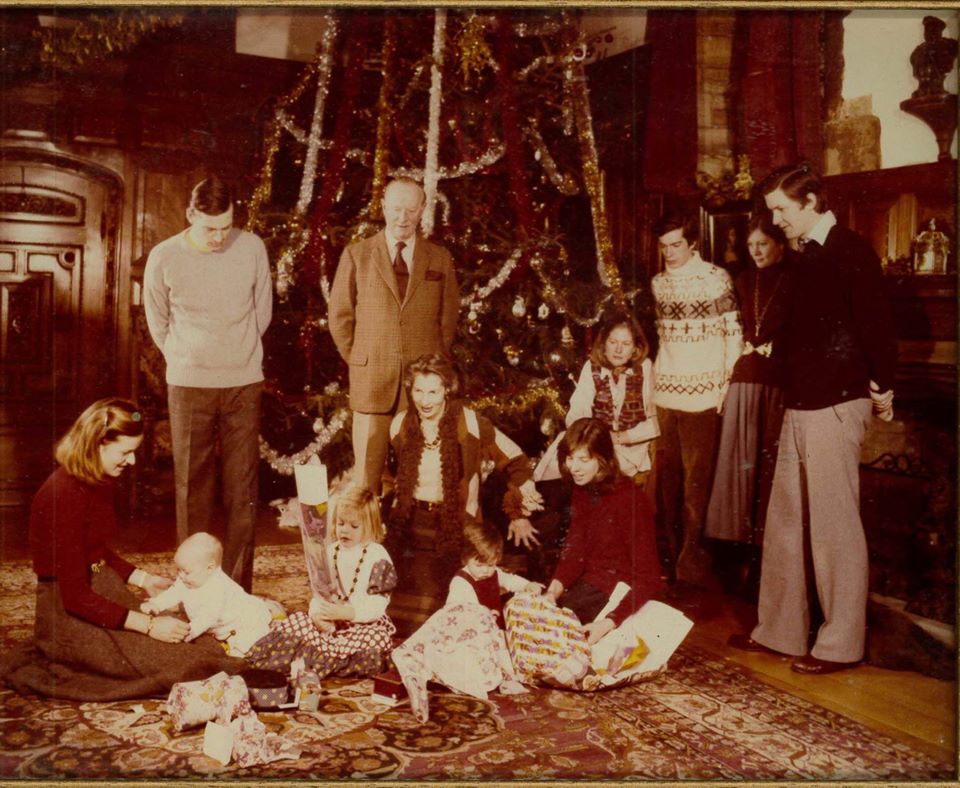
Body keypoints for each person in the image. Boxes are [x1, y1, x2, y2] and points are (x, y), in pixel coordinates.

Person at [728, 162, 897, 675]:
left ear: (811, 203)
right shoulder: (801, 260)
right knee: (785, 524)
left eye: (781, 209)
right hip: (801, 404)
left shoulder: (852, 252)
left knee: (833, 529)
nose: (775, 220)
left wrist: (884, 391)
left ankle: (841, 645)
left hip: (835, 405)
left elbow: (876, 329)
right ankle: (779, 630)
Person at [0, 398, 245, 701]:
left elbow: (95, 552)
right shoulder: (61, 496)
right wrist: (149, 625)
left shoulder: (95, 479)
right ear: (98, 444)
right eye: (125, 452)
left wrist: (144, 580)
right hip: (68, 612)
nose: (131, 461)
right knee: (185, 664)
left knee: (190, 640)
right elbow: (75, 596)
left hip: (99, 591)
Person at [143, 176, 273, 592]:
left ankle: (237, 590)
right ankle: (194, 587)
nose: (220, 237)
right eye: (210, 228)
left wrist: (238, 353)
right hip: (189, 383)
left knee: (242, 489)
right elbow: (157, 321)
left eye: (226, 226)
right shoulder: (164, 256)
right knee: (192, 489)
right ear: (190, 216)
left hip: (243, 383)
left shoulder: (251, 246)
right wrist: (186, 358)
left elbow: (262, 312)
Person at [386, 353, 543, 635]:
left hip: (457, 525)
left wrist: (519, 508)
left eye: (433, 391)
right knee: (400, 619)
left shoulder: (470, 424)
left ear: (448, 389)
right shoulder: (400, 425)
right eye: (418, 391)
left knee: (450, 612)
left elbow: (516, 460)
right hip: (412, 526)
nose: (424, 401)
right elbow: (389, 476)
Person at [329, 177, 460, 495]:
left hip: (421, 386)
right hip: (371, 379)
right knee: (366, 479)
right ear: (384, 207)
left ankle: (412, 538)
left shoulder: (438, 258)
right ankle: (366, 540)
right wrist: (362, 359)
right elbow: (340, 317)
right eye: (397, 209)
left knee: (418, 471)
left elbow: (448, 319)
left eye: (411, 210)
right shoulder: (357, 255)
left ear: (422, 210)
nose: (403, 218)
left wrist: (430, 365)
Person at [650, 213, 742, 588]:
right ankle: (668, 565)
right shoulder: (658, 284)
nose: (669, 253)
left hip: (704, 396)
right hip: (664, 394)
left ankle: (692, 571)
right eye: (664, 246)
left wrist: (725, 387)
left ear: (692, 245)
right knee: (665, 487)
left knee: (696, 489)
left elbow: (732, 334)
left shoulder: (716, 278)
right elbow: (662, 339)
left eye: (676, 245)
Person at [705, 213, 794, 598]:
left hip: (779, 384)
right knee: (737, 471)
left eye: (764, 243)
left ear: (780, 244)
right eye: (751, 245)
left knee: (769, 472)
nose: (756, 251)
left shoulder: (796, 280)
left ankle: (764, 564)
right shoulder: (741, 281)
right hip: (743, 381)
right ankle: (732, 561)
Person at [391, 520, 537, 722]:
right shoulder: (461, 582)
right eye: (480, 564)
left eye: (491, 564)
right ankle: (419, 684)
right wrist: (483, 616)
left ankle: (502, 677)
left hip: (492, 636)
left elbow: (510, 581)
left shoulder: (493, 573)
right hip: (469, 639)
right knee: (465, 666)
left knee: (507, 654)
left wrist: (527, 586)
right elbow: (459, 615)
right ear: (466, 558)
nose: (486, 570)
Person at [245, 487, 397, 679]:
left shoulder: (377, 555)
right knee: (297, 622)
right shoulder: (329, 551)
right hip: (329, 624)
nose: (345, 530)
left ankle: (321, 660)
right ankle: (309, 658)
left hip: (362, 624)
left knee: (377, 639)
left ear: (370, 526)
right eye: (341, 523)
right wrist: (317, 614)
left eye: (354, 526)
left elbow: (377, 605)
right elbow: (318, 591)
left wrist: (348, 613)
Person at [542, 418, 664, 645]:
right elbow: (574, 551)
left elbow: (649, 578)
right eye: (570, 458)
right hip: (590, 584)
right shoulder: (583, 488)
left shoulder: (630, 499)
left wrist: (608, 623)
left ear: (603, 459)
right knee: (533, 611)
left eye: (583, 459)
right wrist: (552, 592)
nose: (573, 467)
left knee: (551, 634)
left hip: (618, 594)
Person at [536, 308, 659, 483]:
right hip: (593, 442)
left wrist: (619, 437)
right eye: (613, 342)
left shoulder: (645, 368)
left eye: (625, 344)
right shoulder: (592, 367)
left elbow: (655, 422)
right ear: (603, 344)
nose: (618, 350)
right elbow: (578, 410)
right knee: (558, 461)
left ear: (635, 348)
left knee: (595, 468)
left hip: (629, 448)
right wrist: (588, 437)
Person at [141, 532, 282, 658]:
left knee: (243, 650)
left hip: (243, 622)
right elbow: (174, 592)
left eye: (186, 572)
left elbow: (206, 618)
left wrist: (188, 633)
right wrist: (156, 604)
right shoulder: (187, 579)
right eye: (179, 570)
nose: (181, 576)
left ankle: (271, 612)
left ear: (210, 568)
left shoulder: (217, 588)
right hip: (220, 626)